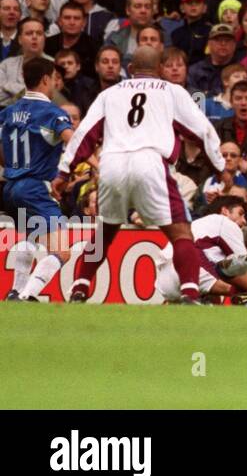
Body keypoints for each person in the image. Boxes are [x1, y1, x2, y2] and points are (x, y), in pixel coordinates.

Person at [56, 46, 226, 304]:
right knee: (181, 233)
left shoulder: (109, 94)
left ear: (131, 70)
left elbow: (84, 134)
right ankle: (190, 293)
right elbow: (202, 131)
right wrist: (221, 168)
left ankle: (79, 287)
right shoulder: (172, 92)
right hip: (151, 162)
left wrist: (63, 171)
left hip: (112, 163)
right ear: (160, 69)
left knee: (105, 232)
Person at [2, 58, 77, 301]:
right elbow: (73, 141)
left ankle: (14, 291)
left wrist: (13, 167)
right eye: (54, 78)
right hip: (35, 186)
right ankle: (27, 295)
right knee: (62, 251)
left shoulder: (8, 112)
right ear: (46, 79)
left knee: (31, 237)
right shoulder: (52, 112)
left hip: (10, 187)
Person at [153, 196, 247, 302]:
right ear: (225, 211)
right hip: (191, 266)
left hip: (165, 282)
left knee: (214, 300)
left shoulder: (198, 225)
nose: (244, 221)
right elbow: (244, 264)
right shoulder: (223, 221)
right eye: (241, 214)